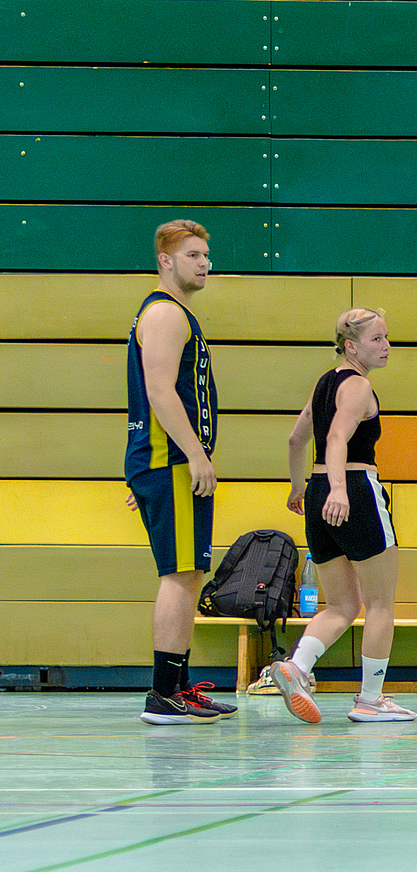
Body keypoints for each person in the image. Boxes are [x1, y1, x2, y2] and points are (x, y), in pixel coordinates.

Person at [266, 309, 414, 723]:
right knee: (381, 602)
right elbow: (335, 437)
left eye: (387, 338)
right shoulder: (358, 386)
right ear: (351, 346)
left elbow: (297, 438)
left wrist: (300, 487)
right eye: (376, 339)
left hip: (316, 496)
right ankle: (370, 699)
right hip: (353, 492)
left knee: (342, 605)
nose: (385, 346)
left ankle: (296, 667)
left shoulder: (323, 384)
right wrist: (337, 489)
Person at [127, 220, 234, 725]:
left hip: (160, 465)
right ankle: (164, 693)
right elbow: (160, 392)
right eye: (193, 254)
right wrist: (194, 455)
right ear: (166, 260)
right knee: (181, 576)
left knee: (188, 575)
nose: (205, 263)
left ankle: (178, 689)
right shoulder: (167, 313)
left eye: (206, 255)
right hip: (170, 463)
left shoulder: (169, 313)